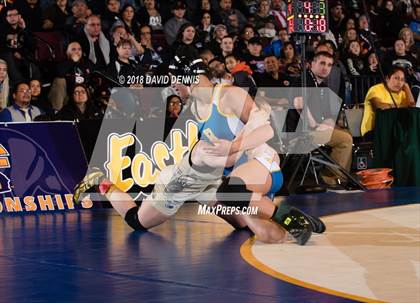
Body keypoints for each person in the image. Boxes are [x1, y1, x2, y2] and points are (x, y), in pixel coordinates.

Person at [73, 59, 325, 245]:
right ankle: (101, 182)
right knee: (138, 221)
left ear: (190, 79)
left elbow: (267, 130)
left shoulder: (229, 96)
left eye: (175, 84)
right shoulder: (197, 111)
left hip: (259, 165)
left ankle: (288, 217)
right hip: (228, 182)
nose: (174, 90)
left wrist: (233, 146)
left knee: (230, 192)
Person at [287, 51, 353, 187]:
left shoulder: (321, 86)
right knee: (344, 139)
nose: (326, 68)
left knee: (346, 133)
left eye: (329, 65)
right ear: (312, 64)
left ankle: (341, 178)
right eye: (322, 63)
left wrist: (327, 123)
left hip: (313, 130)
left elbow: (327, 115)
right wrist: (313, 124)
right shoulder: (305, 79)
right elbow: (299, 104)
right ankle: (331, 178)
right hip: (299, 133)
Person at [361, 66, 416, 140]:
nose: (399, 82)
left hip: (395, 130)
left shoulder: (403, 94)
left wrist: (407, 88)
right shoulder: (375, 89)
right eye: (396, 78)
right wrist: (402, 106)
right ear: (387, 78)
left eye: (402, 80)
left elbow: (412, 108)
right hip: (374, 131)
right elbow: (379, 107)